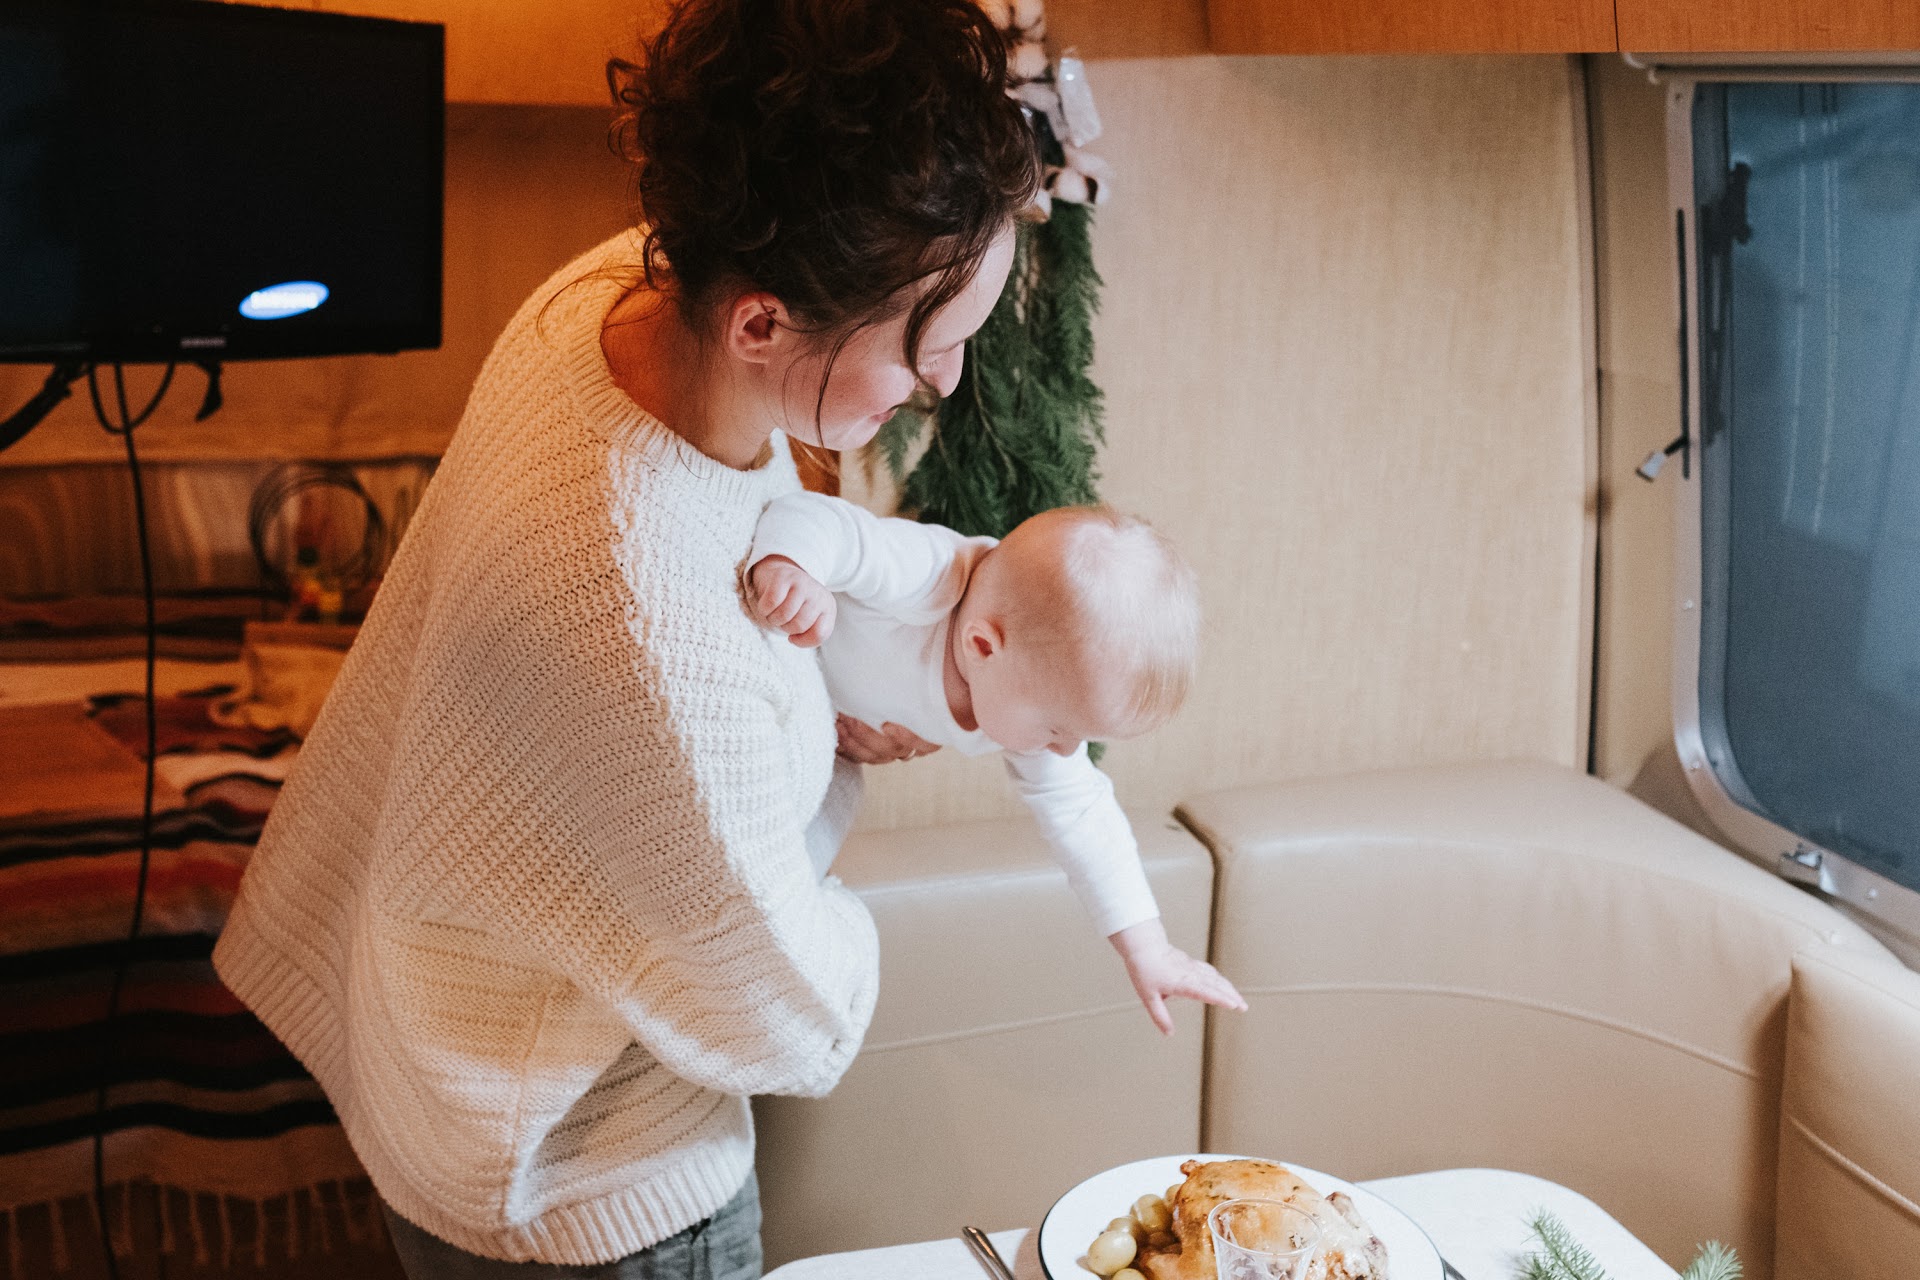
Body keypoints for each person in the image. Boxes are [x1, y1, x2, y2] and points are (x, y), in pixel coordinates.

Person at [210, 1, 1038, 1276]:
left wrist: (817, 700)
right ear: (760, 323)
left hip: (444, 1057)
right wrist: (839, 769)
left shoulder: (609, 292)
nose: (944, 380)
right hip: (583, 1184)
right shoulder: (645, 637)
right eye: (932, 344)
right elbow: (797, 1017)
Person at [745, 494, 1247, 1034]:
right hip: (775, 682)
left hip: (829, 756)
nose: (1064, 750)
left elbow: (1085, 818)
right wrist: (794, 569)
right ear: (984, 647)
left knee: (789, 877)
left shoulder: (1025, 682)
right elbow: (822, 520)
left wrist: (1149, 950)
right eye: (1058, 729)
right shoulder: (929, 575)